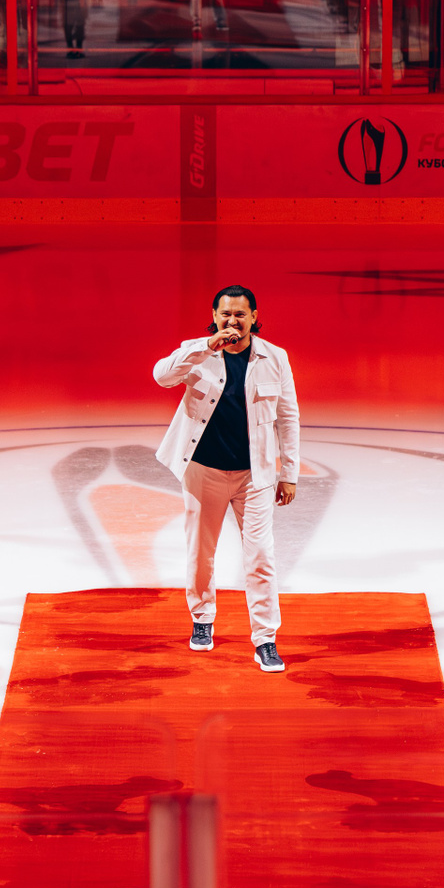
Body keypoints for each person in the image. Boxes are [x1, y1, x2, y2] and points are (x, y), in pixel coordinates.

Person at [152, 284, 300, 672]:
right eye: (225, 314)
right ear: (214, 316)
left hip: (255, 475)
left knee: (261, 555)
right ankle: (202, 619)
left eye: (240, 314)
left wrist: (289, 473)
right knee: (201, 551)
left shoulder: (275, 358)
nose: (232, 321)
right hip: (204, 470)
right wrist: (206, 347)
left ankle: (265, 639)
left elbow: (288, 418)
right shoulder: (196, 352)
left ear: (254, 317)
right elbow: (162, 376)